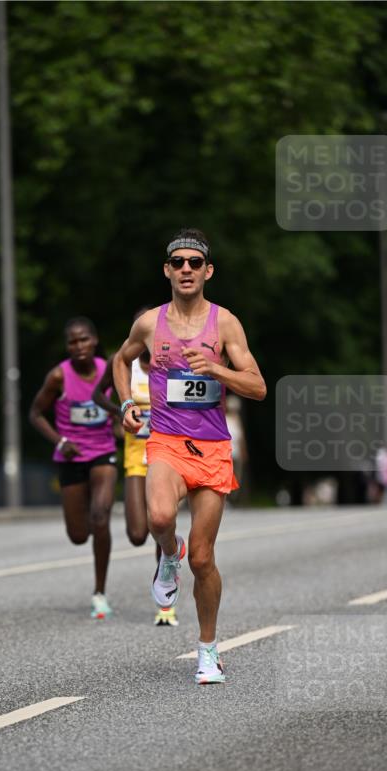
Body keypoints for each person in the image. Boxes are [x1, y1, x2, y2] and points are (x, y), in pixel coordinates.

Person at [113, 228, 266, 684]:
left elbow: (257, 386)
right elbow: (121, 360)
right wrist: (125, 405)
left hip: (214, 450)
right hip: (166, 442)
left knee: (203, 559)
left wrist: (217, 368)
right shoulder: (149, 324)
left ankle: (208, 650)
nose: (185, 269)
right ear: (167, 270)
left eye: (194, 263)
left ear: (207, 271)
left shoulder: (225, 324)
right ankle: (166, 552)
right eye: (177, 262)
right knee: (159, 517)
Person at [92, 319, 179, 627]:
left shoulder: (171, 362)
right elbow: (97, 395)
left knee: (161, 520)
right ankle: (171, 548)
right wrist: (122, 410)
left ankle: (165, 603)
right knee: (138, 533)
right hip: (134, 453)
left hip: (166, 453)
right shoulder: (126, 363)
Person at [29, 317, 118, 620]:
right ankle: (94, 523)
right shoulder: (58, 376)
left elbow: (125, 400)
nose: (79, 346)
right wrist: (59, 441)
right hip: (70, 456)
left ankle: (100, 593)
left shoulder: (108, 369)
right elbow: (36, 413)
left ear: (94, 341)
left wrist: (122, 418)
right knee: (79, 535)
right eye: (72, 341)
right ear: (67, 346)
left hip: (103, 452)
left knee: (101, 516)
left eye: (84, 340)